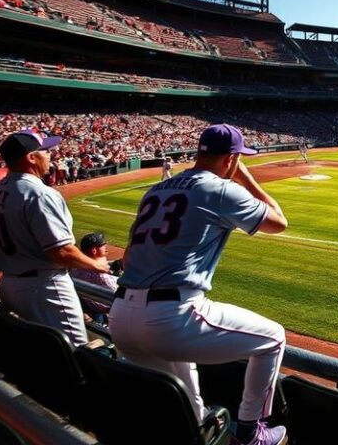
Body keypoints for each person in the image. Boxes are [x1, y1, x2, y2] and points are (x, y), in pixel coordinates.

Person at [108, 124, 289, 445]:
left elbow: (129, 254)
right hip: (172, 318)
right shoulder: (220, 188)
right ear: (232, 158)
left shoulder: (156, 189)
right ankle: (251, 431)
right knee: (273, 338)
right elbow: (279, 222)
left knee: (191, 420)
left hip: (120, 315)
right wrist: (245, 178)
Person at [0, 129, 110, 346]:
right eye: (45, 151)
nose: (51, 155)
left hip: (9, 283)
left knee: (35, 348)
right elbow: (61, 252)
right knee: (74, 352)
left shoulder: (0, 189)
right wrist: (98, 266)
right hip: (44, 287)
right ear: (31, 157)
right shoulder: (40, 194)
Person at [70, 232, 118, 324]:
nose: (105, 246)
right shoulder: (101, 276)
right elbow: (114, 297)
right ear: (94, 251)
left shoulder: (75, 268)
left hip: (86, 309)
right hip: (100, 316)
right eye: (103, 245)